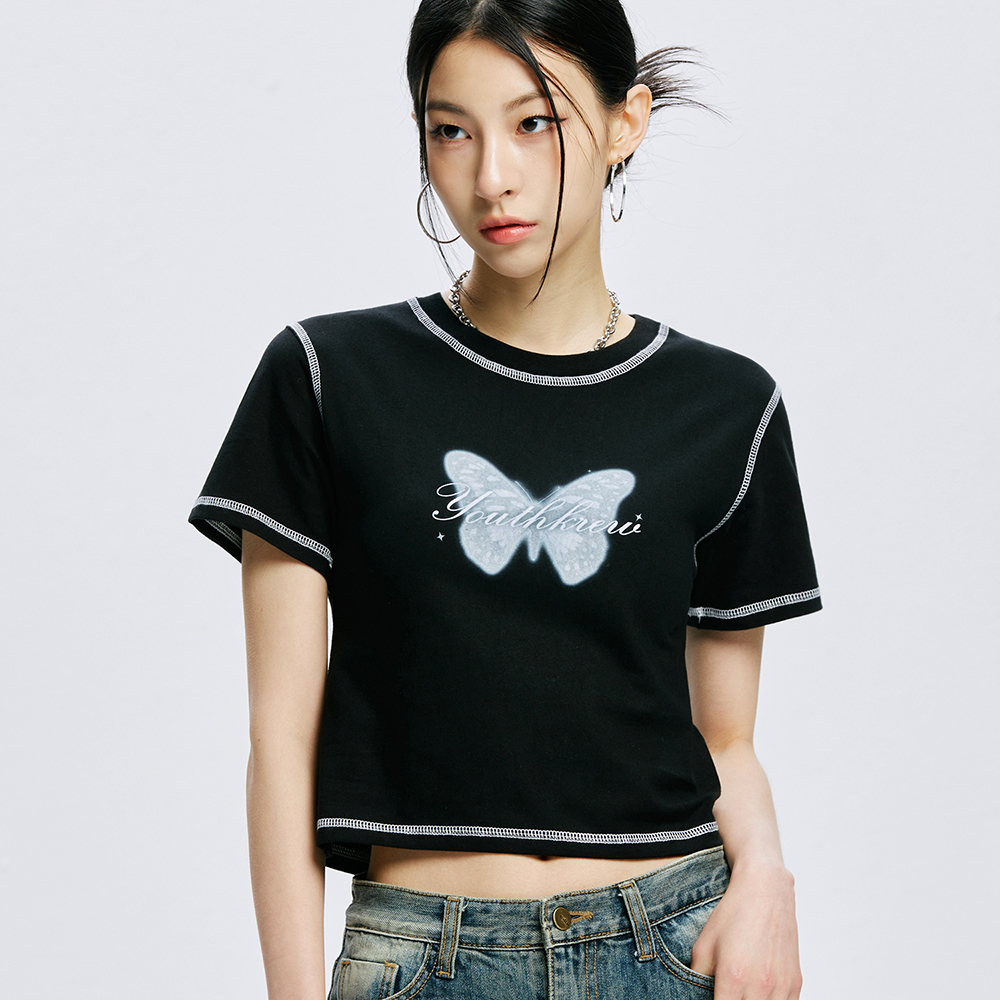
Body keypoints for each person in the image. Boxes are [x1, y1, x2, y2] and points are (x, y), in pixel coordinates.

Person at [189, 1, 820, 997]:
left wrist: (769, 882)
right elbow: (281, 738)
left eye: (535, 123)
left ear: (625, 121)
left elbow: (727, 737)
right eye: (452, 131)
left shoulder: (727, 405)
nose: (491, 177)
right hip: (422, 958)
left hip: (673, 941)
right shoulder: (325, 377)